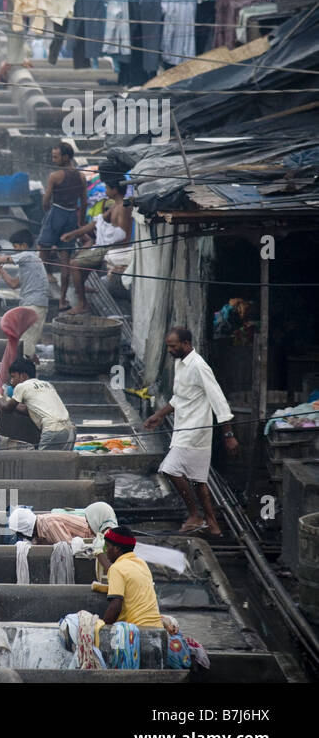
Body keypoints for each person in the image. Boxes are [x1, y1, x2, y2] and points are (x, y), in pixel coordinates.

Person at [143, 327, 238, 537]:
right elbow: (180, 398)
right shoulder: (180, 363)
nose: (169, 350)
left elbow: (218, 400)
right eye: (168, 346)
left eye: (173, 346)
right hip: (182, 428)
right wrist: (159, 415)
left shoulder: (199, 366)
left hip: (195, 431)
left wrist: (228, 435)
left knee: (169, 468)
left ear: (186, 344)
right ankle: (213, 524)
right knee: (197, 480)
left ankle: (195, 515)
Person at [61, 181, 132, 315]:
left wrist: (104, 238)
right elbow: (96, 223)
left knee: (74, 264)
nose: (105, 190)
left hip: (114, 248)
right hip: (107, 246)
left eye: (107, 187)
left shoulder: (123, 207)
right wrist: (73, 234)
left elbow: (122, 234)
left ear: (114, 189)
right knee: (82, 256)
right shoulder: (115, 206)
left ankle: (82, 304)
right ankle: (81, 288)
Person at [0, 229, 50, 360]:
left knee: (26, 343)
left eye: (16, 247)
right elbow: (14, 284)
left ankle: (28, 373)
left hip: (35, 304)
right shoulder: (27, 264)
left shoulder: (29, 256)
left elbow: (7, 258)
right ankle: (31, 366)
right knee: (25, 342)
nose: (15, 250)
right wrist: (0, 270)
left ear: (24, 245)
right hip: (29, 304)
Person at [38, 142, 87, 309]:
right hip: (72, 215)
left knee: (42, 247)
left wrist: (48, 214)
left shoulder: (55, 176)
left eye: (56, 157)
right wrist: (80, 222)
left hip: (56, 212)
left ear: (66, 157)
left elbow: (46, 200)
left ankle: (48, 275)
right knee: (65, 259)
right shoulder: (81, 177)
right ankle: (62, 300)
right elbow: (85, 202)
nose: (53, 159)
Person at [91, 525, 163, 627]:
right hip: (157, 626)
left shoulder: (116, 568)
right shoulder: (142, 563)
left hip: (136, 629)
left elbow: (116, 606)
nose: (106, 551)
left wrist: (102, 629)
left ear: (116, 548)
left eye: (107, 546)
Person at [0, 357, 76, 450]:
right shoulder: (47, 384)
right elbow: (28, 410)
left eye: (13, 376)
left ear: (23, 376)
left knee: (42, 463)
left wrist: (2, 397)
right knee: (62, 462)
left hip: (52, 429)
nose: (11, 381)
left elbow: (7, 408)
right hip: (70, 429)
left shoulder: (22, 386)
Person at [7, 500, 117, 544]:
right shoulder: (41, 524)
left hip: (91, 535)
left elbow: (67, 548)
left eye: (19, 533)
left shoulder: (49, 525)